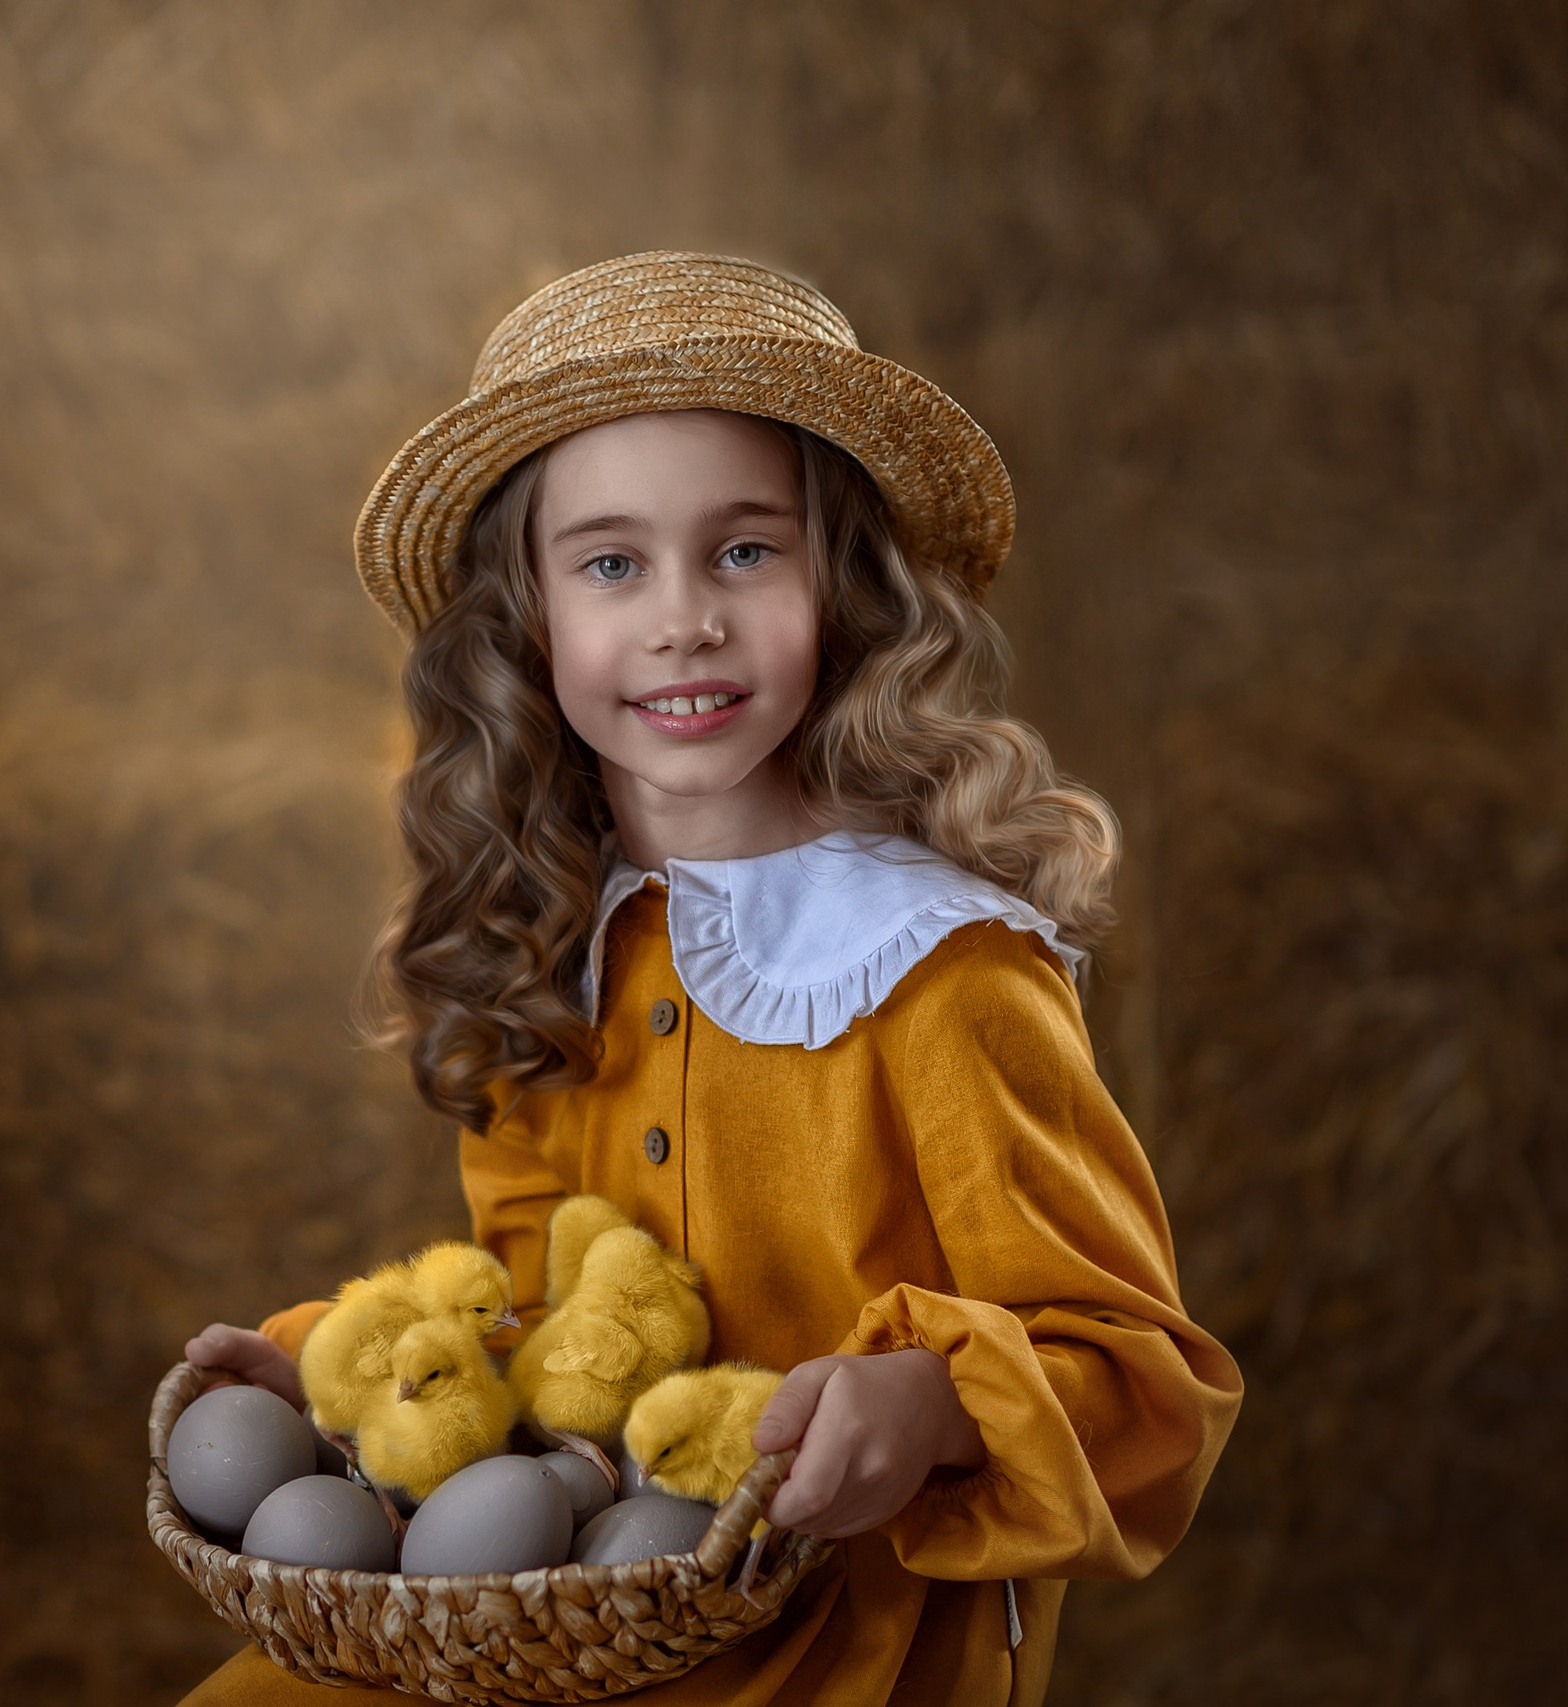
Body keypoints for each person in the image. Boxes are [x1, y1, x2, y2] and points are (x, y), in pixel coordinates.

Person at [178, 251, 1242, 1705]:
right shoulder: (563, 932)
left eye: (747, 550)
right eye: (613, 563)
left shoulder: (942, 975)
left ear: (846, 588)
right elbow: (543, 1302)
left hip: (839, 1645)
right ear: (530, 622)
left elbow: (1147, 1388)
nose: (684, 618)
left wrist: (931, 1407)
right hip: (569, 1605)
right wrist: (335, 1371)